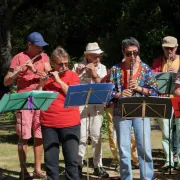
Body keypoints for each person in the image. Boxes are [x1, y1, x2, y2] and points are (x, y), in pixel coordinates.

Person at [4, 32, 51, 179]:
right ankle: (23, 171)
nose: (41, 49)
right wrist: (16, 74)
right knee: (23, 136)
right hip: (25, 99)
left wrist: (34, 70)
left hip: (39, 97)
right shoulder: (18, 58)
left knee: (39, 135)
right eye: (38, 46)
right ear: (29, 45)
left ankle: (37, 169)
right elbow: (6, 82)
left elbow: (49, 76)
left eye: (42, 46)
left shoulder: (44, 57)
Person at [110, 37, 158, 179]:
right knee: (124, 150)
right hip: (121, 111)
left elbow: (155, 91)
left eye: (135, 53)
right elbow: (108, 93)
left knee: (144, 148)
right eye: (128, 53)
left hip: (141, 111)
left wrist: (139, 88)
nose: (132, 56)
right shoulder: (115, 69)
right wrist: (119, 94)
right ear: (123, 53)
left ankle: (147, 177)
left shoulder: (145, 69)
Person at [36, 46, 81, 180]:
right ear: (53, 64)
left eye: (66, 63)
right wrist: (41, 84)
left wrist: (59, 81)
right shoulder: (46, 78)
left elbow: (73, 95)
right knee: (51, 163)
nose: (64, 66)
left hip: (70, 123)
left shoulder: (73, 75)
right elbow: (37, 100)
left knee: (72, 162)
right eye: (60, 64)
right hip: (49, 124)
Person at [73, 42, 109, 178]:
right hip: (81, 105)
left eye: (99, 56)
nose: (97, 59)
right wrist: (78, 74)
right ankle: (78, 164)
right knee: (81, 136)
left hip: (96, 105)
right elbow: (71, 85)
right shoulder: (77, 66)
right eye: (94, 56)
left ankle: (97, 165)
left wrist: (94, 74)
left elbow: (105, 87)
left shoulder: (103, 68)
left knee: (96, 136)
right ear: (87, 56)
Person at [152, 36, 180, 169]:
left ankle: (179, 159)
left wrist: (177, 74)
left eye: (171, 49)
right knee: (166, 133)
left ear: (176, 48)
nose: (169, 51)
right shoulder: (158, 62)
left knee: (179, 132)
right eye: (166, 48)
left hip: (178, 99)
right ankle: (168, 159)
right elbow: (152, 81)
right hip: (163, 100)